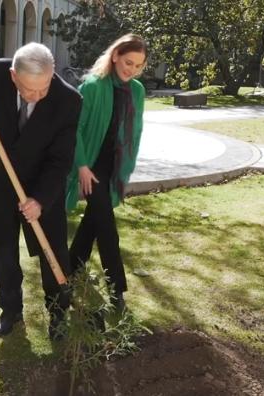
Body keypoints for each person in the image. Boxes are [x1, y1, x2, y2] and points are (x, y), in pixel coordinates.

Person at [0, 43, 82, 340]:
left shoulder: (68, 100)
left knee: (53, 249)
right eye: (30, 90)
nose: (38, 96)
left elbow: (60, 160)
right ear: (14, 76)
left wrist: (40, 199)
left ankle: (58, 312)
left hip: (43, 184)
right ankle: (10, 309)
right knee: (2, 248)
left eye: (44, 88)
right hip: (0, 181)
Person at [66, 34, 148, 312]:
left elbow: (134, 131)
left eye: (138, 66)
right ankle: (117, 290)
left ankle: (71, 265)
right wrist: (81, 166)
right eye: (128, 62)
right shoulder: (92, 87)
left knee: (94, 220)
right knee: (107, 229)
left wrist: (126, 167)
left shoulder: (136, 90)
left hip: (115, 167)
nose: (132, 70)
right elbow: (73, 129)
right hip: (91, 166)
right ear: (115, 56)